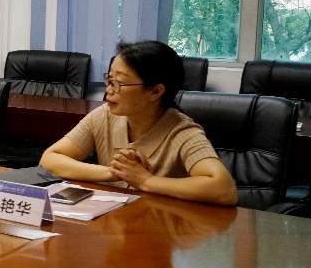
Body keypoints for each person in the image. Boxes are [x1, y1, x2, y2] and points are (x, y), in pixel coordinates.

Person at [40, 40, 238, 206]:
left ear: (155, 91)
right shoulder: (104, 116)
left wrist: (146, 181)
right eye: (109, 80)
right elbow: (49, 160)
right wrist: (112, 173)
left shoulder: (182, 131)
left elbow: (224, 189)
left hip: (159, 229)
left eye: (119, 83)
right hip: (114, 225)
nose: (109, 90)